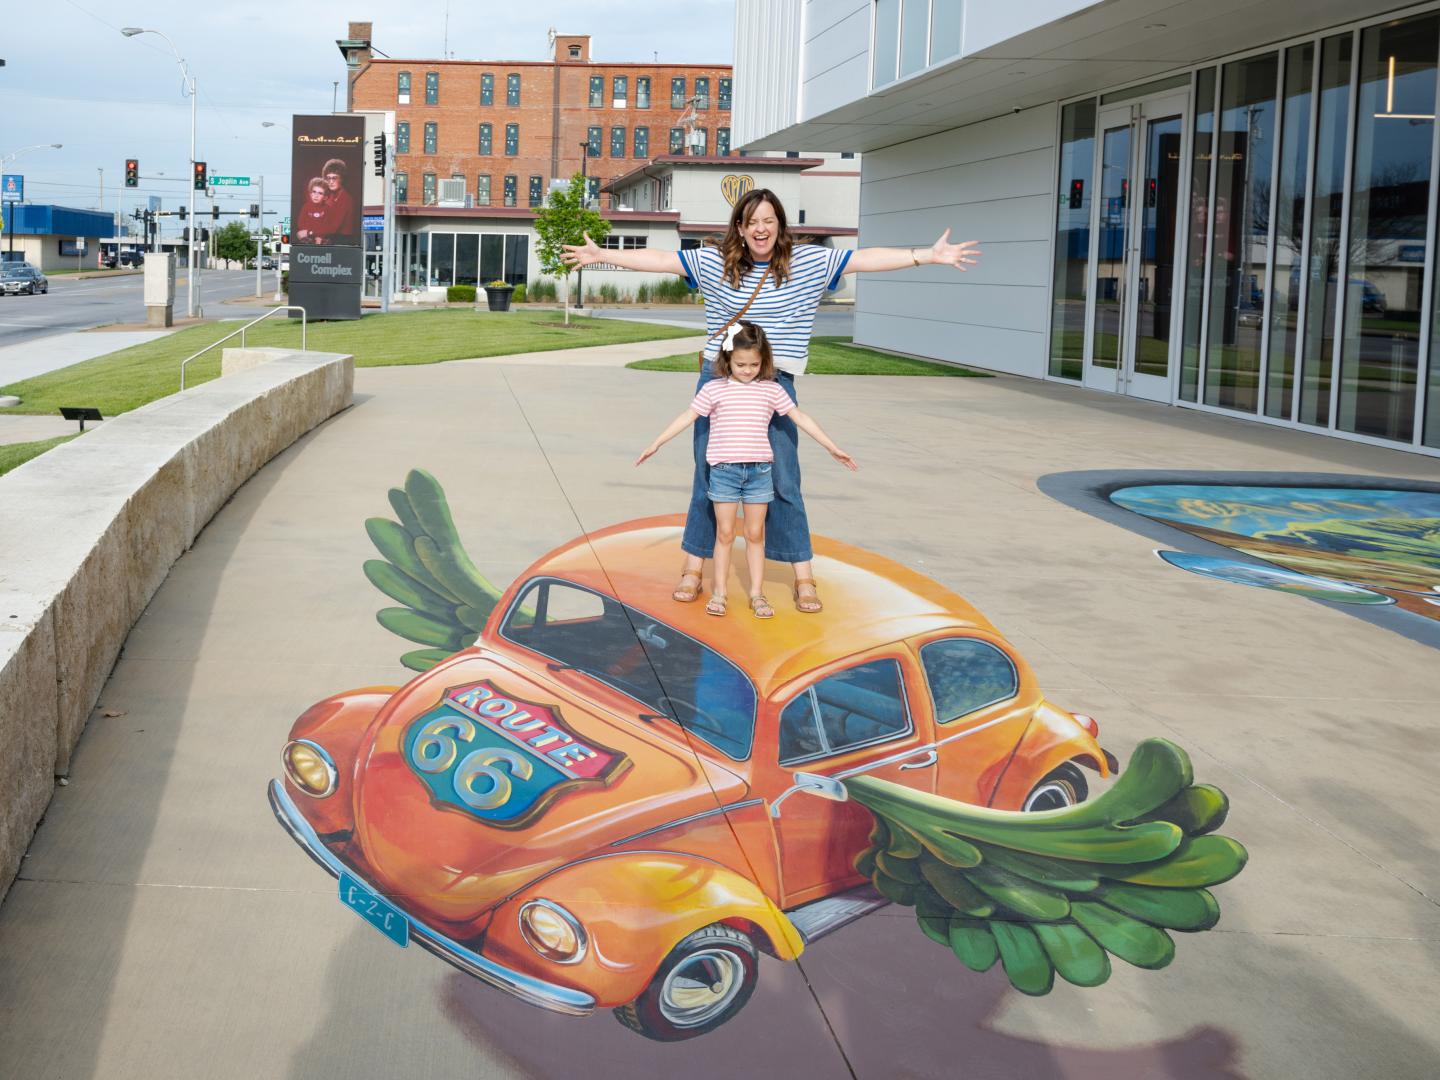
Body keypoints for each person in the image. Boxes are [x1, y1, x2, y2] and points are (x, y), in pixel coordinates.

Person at [564, 187, 980, 613]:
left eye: (769, 220)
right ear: (740, 229)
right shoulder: (715, 262)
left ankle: (802, 575)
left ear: (780, 224)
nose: (761, 229)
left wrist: (926, 255)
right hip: (720, 376)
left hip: (775, 381)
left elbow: (865, 258)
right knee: (709, 476)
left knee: (784, 478)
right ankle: (693, 567)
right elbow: (662, 260)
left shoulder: (809, 261)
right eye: (752, 222)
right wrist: (603, 256)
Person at [636, 321, 856, 618]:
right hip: (724, 472)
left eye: (754, 364)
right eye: (741, 364)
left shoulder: (772, 390)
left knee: (755, 535)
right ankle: (720, 593)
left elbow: (799, 417)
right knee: (725, 534)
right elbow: (688, 416)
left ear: (764, 361)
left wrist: (832, 446)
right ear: (727, 360)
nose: (747, 370)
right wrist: (656, 443)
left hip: (759, 474)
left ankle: (757, 594)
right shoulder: (714, 389)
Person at [320, 157, 358, 245]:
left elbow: (333, 227)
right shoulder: (331, 196)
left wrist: (310, 232)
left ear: (342, 179)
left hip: (343, 241)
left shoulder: (346, 198)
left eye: (334, 178)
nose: (330, 182)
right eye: (328, 178)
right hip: (332, 239)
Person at [294, 178, 331, 245]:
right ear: (310, 193)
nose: (316, 195)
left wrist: (318, 236)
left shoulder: (327, 209)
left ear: (325, 197)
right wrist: (310, 232)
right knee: (300, 235)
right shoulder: (306, 207)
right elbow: (301, 224)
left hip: (322, 236)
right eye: (314, 192)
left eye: (320, 193)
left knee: (324, 242)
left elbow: (326, 228)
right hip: (308, 235)